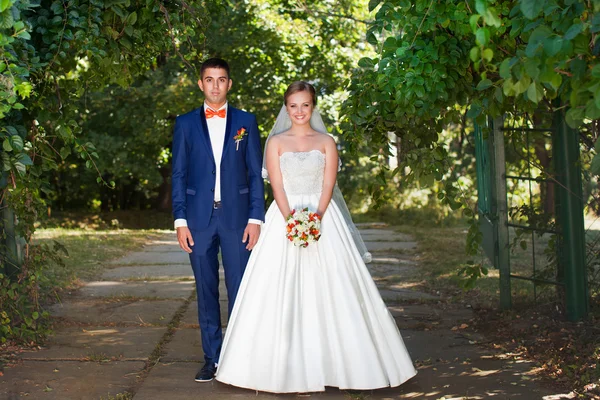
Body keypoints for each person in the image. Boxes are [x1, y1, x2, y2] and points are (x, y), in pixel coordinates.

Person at [215, 81, 417, 393]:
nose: (299, 111)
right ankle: (273, 368)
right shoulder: (275, 143)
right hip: (285, 215)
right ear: (286, 108)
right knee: (276, 288)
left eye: (305, 105)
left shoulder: (326, 141)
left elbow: (328, 186)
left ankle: (345, 366)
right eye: (293, 105)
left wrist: (316, 218)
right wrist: (292, 220)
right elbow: (277, 186)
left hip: (322, 217)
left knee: (336, 287)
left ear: (313, 107)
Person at [171, 58, 265, 382]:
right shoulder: (184, 124)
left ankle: (241, 358)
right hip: (197, 220)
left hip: (237, 218)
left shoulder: (246, 122)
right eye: (209, 80)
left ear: (229, 84)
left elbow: (255, 173)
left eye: (221, 79)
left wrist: (256, 217)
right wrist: (180, 221)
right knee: (206, 290)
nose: (215, 85)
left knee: (240, 289)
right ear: (200, 84)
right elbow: (179, 174)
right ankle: (212, 358)